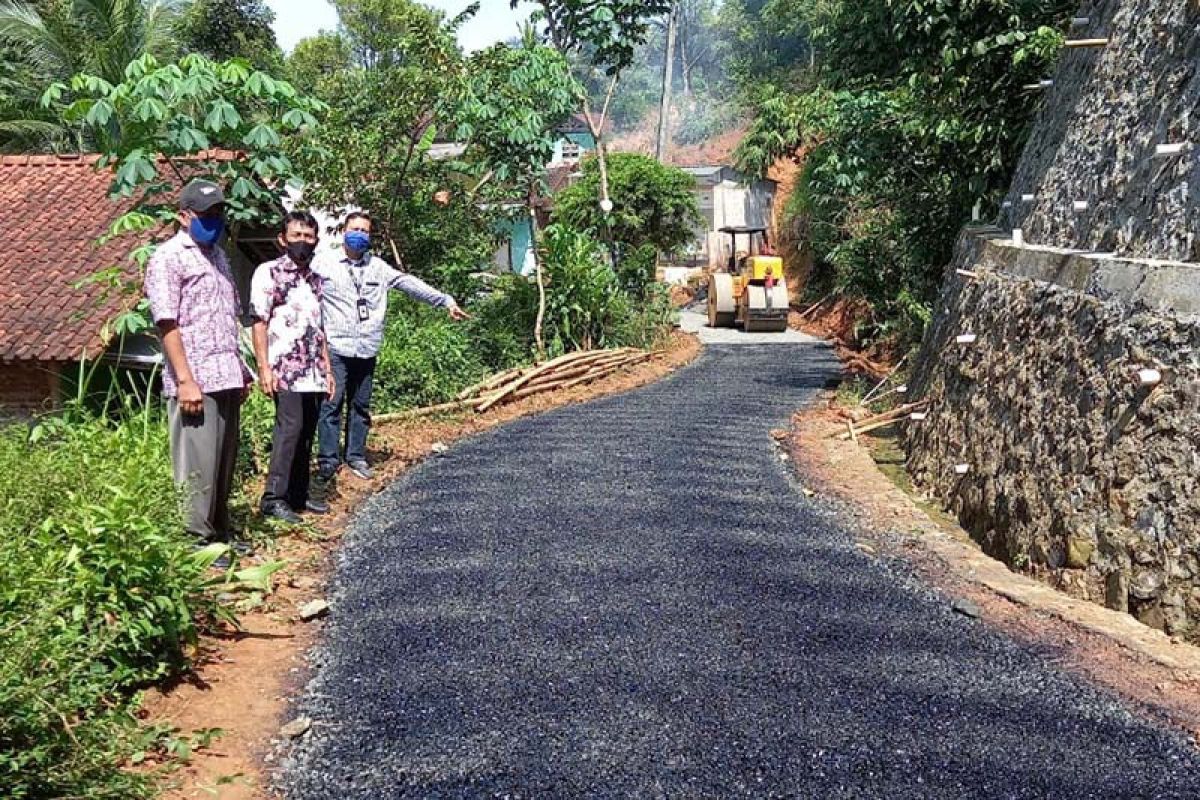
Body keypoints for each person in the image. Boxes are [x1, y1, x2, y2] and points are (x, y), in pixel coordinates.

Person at [313, 211, 468, 482]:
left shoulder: (378, 267)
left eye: (365, 231)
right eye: (355, 229)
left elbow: (409, 284)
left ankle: (356, 457)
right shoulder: (323, 265)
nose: (359, 234)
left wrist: (444, 301)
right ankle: (328, 460)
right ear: (343, 232)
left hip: (367, 347)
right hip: (336, 347)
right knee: (331, 405)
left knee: (360, 406)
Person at [144, 179, 252, 544]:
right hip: (195, 380)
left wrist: (243, 371)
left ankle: (219, 533)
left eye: (219, 213)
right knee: (197, 467)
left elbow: (228, 318)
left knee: (222, 464)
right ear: (183, 216)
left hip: (227, 376)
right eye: (206, 214)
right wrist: (186, 380)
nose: (214, 220)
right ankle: (196, 543)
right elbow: (167, 323)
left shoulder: (219, 257)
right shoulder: (168, 257)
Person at [251, 211, 336, 524]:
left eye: (309, 237)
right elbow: (258, 321)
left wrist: (327, 370)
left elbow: (319, 327)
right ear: (282, 239)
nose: (303, 241)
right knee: (290, 430)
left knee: (307, 431)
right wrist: (263, 368)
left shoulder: (315, 280)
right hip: (284, 368)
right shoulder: (268, 273)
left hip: (312, 371)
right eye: (297, 235)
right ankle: (274, 497)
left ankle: (298, 495)